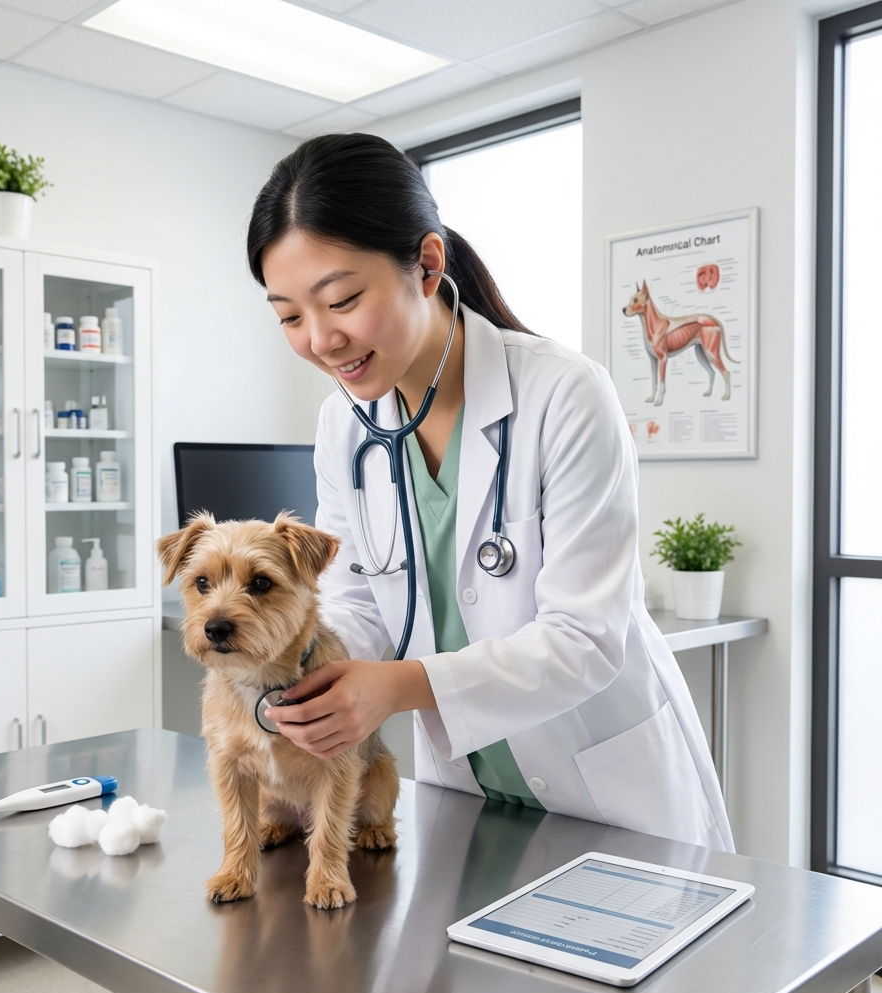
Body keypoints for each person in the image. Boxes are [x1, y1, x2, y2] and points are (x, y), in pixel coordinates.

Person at [249, 133, 732, 852]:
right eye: (289, 315)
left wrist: (396, 687)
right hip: (468, 795)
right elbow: (355, 599)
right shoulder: (343, 426)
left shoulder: (564, 393)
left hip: (606, 791)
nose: (321, 339)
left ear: (427, 265)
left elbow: (585, 640)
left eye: (343, 299)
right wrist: (294, 684)